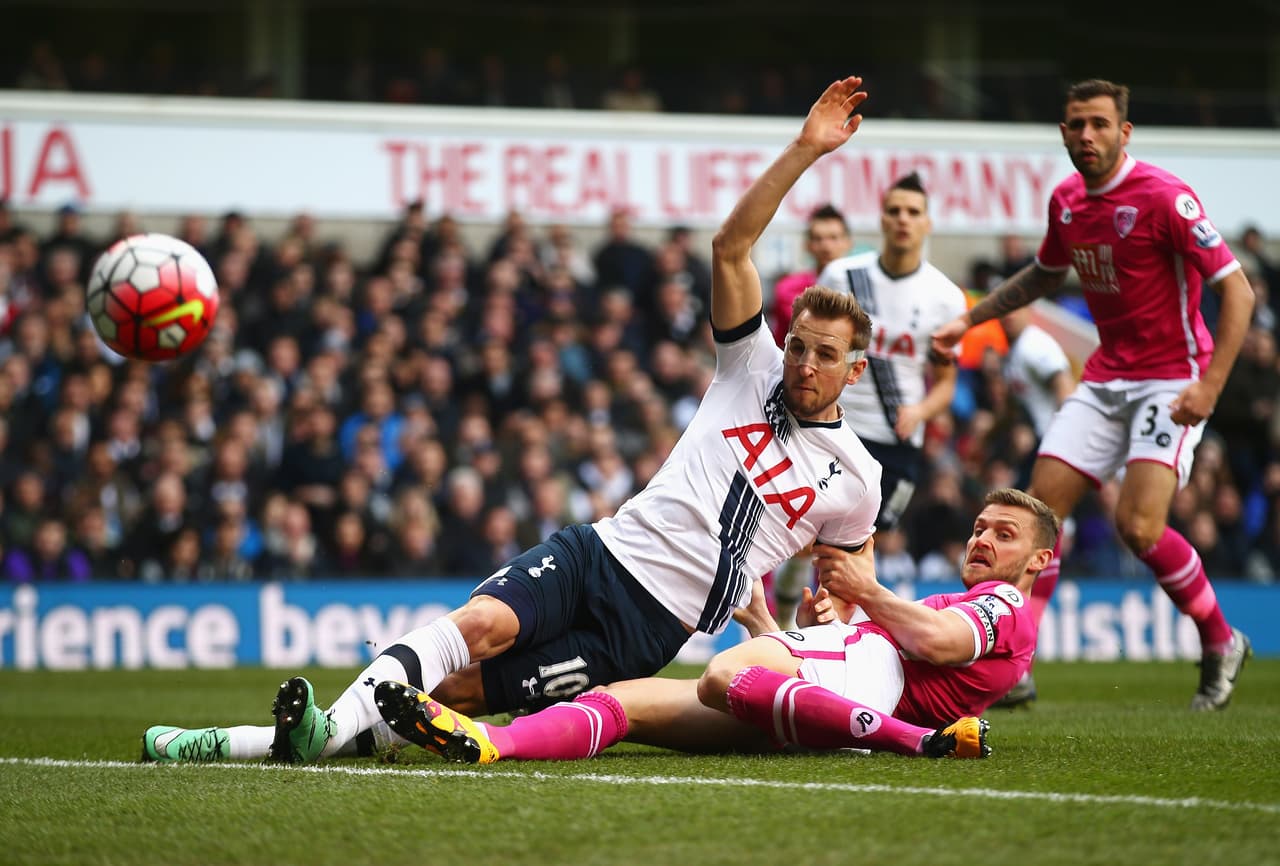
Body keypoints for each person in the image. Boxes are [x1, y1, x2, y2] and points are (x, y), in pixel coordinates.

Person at [140, 76, 882, 765]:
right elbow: (730, 248)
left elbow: (851, 579)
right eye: (797, 346)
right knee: (479, 629)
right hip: (598, 552)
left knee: (459, 695)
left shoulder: (857, 478)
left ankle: (243, 743)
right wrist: (805, 150)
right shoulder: (747, 368)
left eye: (824, 356)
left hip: (646, 630)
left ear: (854, 369)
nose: (803, 365)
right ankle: (324, 729)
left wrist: (826, 621)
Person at [932, 78, 1255, 711]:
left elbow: (1239, 291)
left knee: (1138, 526)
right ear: (1063, 130)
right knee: (1037, 514)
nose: (1086, 135)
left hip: (1172, 379)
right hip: (1106, 378)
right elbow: (1044, 276)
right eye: (1076, 124)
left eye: (1099, 124)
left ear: (1123, 131)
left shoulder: (1166, 198)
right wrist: (970, 320)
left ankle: (1221, 641)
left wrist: (1210, 387)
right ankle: (1016, 658)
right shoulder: (1068, 201)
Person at [370, 488, 1058, 764]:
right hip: (845, 687)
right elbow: (889, 643)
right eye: (978, 528)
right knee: (626, 700)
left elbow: (933, 643)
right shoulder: (975, 603)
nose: (981, 539)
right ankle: (492, 744)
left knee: (727, 674)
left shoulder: (1003, 605)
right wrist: (787, 616)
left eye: (1003, 533)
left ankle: (923, 745)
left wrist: (866, 592)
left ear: (1038, 559)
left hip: (873, 687)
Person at [772, 172, 966, 627]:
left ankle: (816, 645)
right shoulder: (843, 276)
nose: (903, 219)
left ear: (927, 223)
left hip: (892, 447)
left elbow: (946, 384)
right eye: (894, 210)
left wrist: (920, 410)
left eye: (913, 212)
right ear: (881, 218)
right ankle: (785, 631)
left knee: (851, 556)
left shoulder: (944, 298)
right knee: (808, 543)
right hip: (829, 431)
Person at [768, 204, 853, 346]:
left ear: (848, 243)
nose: (826, 246)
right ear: (807, 245)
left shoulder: (861, 285)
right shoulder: (788, 287)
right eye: (818, 239)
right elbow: (812, 330)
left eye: (834, 238)